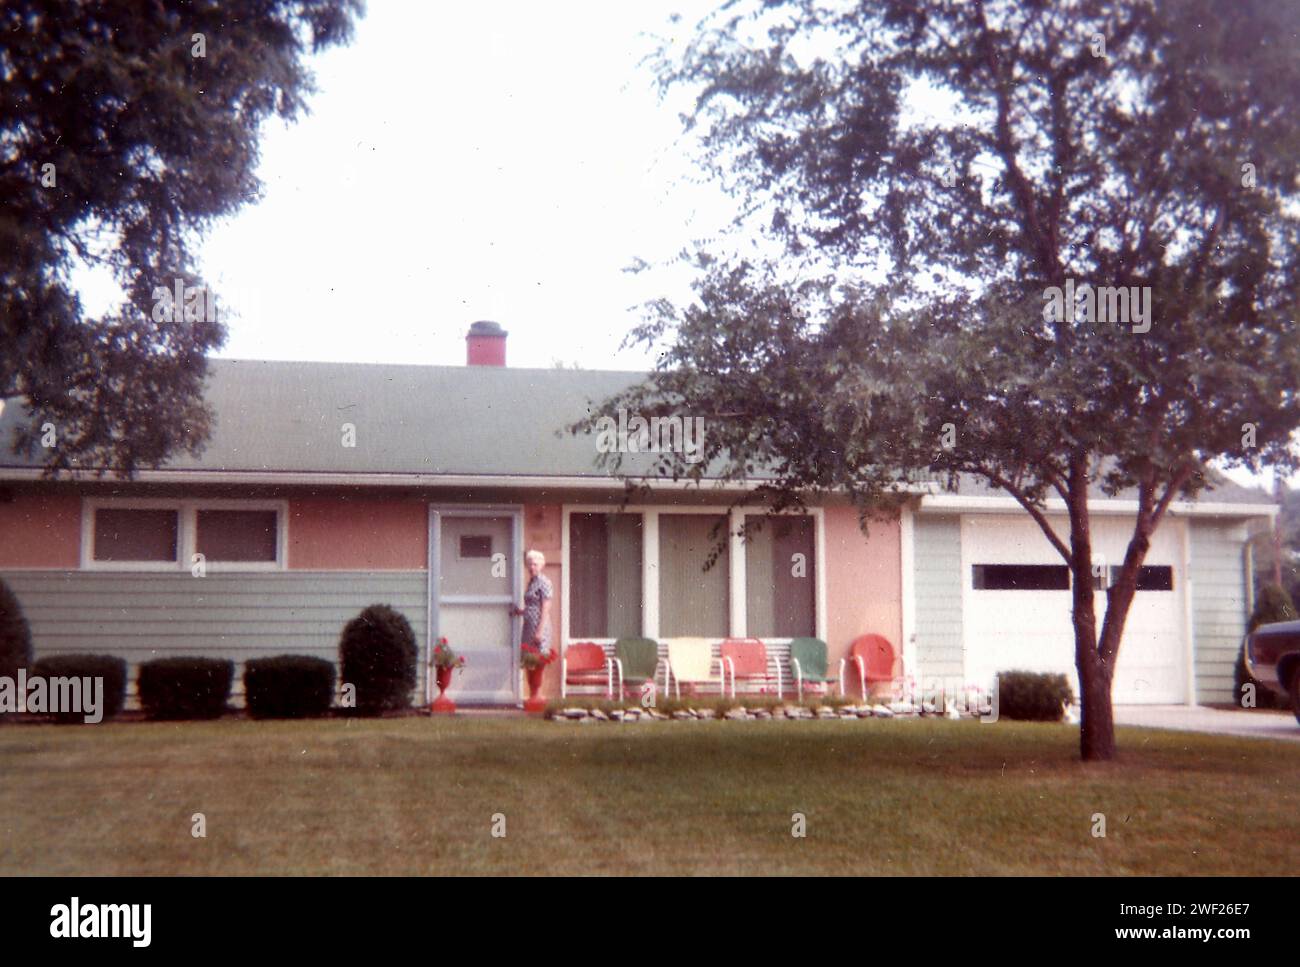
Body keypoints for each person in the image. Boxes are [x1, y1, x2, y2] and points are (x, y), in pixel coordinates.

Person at [512, 549, 553, 656]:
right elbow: (532, 606)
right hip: (529, 626)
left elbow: (546, 607)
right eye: (529, 564)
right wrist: (520, 612)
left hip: (539, 626)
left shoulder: (544, 582)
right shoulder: (532, 582)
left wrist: (539, 631)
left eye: (535, 564)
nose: (531, 567)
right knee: (528, 659)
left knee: (538, 659)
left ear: (541, 566)